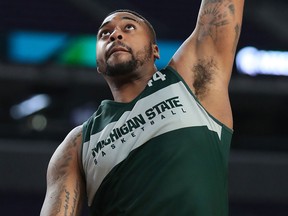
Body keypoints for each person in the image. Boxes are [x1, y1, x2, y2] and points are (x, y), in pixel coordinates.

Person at [40, 1, 245, 215]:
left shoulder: (190, 82)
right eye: (104, 33)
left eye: (128, 27)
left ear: (155, 50)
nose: (115, 35)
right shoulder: (78, 143)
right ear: (98, 64)